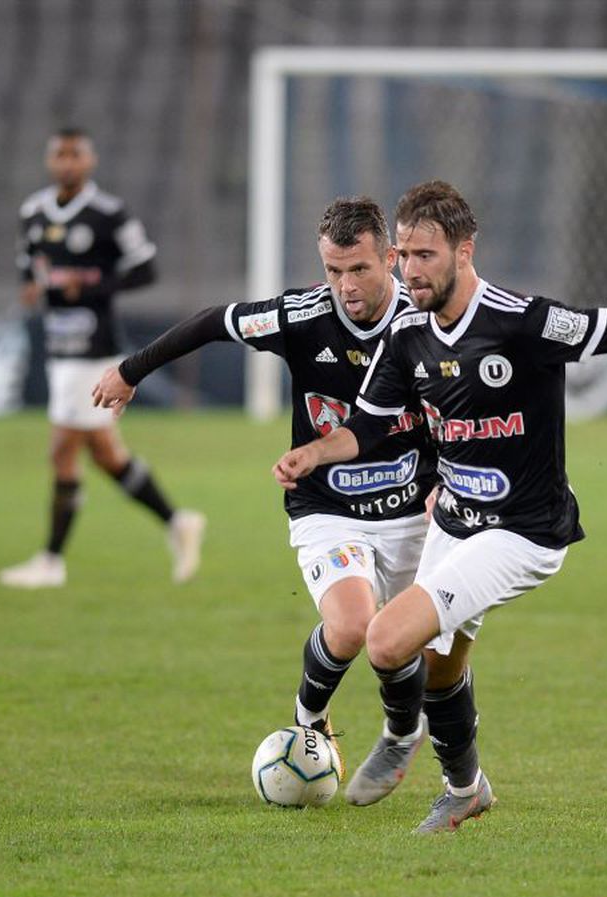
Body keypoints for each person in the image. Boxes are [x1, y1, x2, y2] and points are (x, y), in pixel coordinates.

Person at [272, 180, 607, 832]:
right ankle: (466, 788)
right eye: (404, 255)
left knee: (385, 638)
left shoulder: (523, 322)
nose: (410, 271)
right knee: (439, 666)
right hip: (454, 520)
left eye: (425, 255)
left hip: (523, 530)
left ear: (465, 251)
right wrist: (314, 454)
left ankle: (401, 735)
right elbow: (368, 426)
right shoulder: (408, 333)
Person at [92, 197, 438, 797]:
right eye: (333, 270)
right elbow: (212, 322)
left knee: (407, 645)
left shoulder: (426, 323)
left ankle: (412, 740)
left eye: (359, 269)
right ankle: (310, 724)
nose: (345, 286)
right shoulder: (302, 317)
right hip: (328, 506)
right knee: (352, 625)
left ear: (390, 259)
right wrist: (131, 370)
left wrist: (447, 481)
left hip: (413, 513)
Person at [0, 127, 205, 589]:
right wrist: (30, 287)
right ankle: (178, 522)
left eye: (75, 154)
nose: (67, 162)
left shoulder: (109, 214)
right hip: (59, 346)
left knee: (62, 449)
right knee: (106, 453)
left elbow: (146, 269)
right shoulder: (33, 212)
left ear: (89, 161)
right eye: (60, 154)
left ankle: (51, 560)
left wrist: (92, 287)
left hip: (93, 347)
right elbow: (28, 264)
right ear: (50, 160)